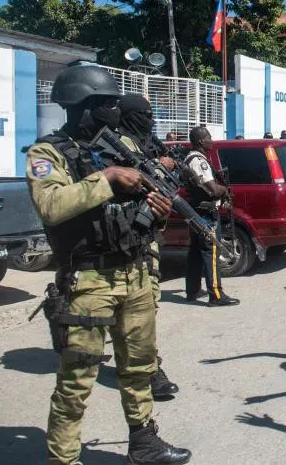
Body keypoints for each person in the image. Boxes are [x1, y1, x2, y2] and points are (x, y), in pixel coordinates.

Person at [26, 65, 190, 465]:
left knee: (139, 368)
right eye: (106, 104)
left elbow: (141, 210)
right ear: (81, 105)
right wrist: (109, 177)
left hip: (135, 272)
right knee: (76, 381)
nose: (115, 112)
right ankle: (63, 459)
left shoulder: (123, 147)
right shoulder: (47, 153)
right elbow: (51, 205)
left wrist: (158, 214)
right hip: (87, 282)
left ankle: (144, 443)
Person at [117, 94, 180, 401]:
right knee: (132, 311)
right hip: (119, 239)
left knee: (147, 306)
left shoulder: (145, 144)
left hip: (145, 238)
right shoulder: (117, 144)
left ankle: (147, 365)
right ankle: (146, 368)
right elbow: (129, 179)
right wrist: (158, 167)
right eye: (145, 114)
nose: (150, 120)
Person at [183, 126, 240, 307]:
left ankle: (193, 290)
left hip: (196, 212)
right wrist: (225, 190)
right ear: (201, 141)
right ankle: (216, 295)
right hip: (205, 213)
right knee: (212, 252)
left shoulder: (191, 158)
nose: (211, 141)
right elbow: (213, 189)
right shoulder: (199, 161)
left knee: (196, 252)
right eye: (209, 137)